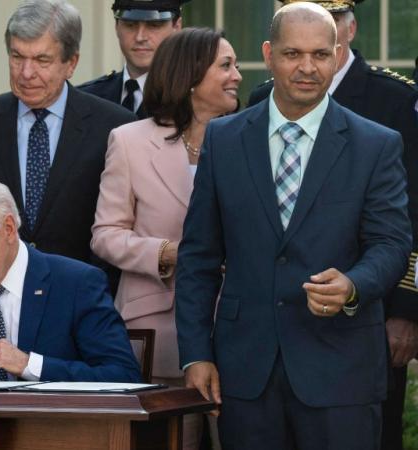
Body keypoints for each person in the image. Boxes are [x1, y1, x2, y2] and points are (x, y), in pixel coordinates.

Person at [176, 3, 411, 449]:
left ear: (338, 54)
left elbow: (392, 243)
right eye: (292, 54)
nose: (307, 67)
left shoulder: (376, 145)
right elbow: (198, 257)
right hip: (245, 373)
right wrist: (196, 354)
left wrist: (354, 285)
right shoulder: (224, 142)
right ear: (268, 54)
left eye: (321, 55)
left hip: (341, 373)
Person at [246, 1, 418, 448]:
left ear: (348, 30)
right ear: (273, 51)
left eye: (331, 27)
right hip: (266, 343)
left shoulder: (395, 99)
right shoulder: (259, 101)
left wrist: (404, 309)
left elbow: (408, 215)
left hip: (359, 320)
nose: (308, 63)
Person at [91, 27, 241, 450]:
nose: (237, 76)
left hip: (238, 329)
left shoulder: (249, 140)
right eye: (225, 66)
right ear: (191, 76)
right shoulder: (130, 141)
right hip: (156, 330)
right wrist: (169, 253)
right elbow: (105, 235)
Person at [0, 0, 136, 269]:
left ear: (71, 63)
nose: (26, 73)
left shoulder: (114, 127)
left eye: (41, 60)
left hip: (82, 296)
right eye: (17, 57)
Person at [0, 175, 141, 383]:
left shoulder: (76, 284)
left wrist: (29, 365)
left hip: (47, 415)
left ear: (8, 229)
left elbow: (124, 375)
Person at [78, 0, 186, 119]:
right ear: (116, 27)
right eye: (130, 25)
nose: (140, 37)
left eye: (154, 25)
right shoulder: (85, 98)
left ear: (176, 27)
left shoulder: (191, 100)